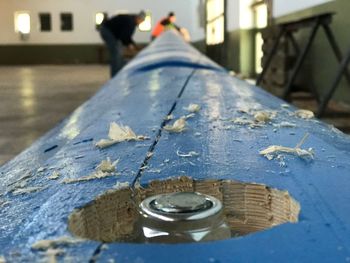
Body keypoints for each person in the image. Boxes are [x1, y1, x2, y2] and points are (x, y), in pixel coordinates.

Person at [100, 11, 146, 77]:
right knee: (116, 54)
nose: (140, 23)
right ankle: (115, 76)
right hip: (107, 31)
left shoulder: (131, 20)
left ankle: (118, 72)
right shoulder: (131, 23)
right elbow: (124, 37)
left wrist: (133, 45)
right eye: (141, 21)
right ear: (138, 18)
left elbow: (127, 37)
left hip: (111, 33)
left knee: (119, 53)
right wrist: (129, 45)